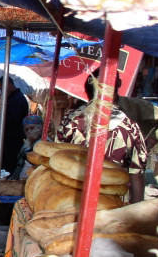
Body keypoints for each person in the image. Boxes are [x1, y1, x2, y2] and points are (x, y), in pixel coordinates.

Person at [56, 70, 147, 203]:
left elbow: (58, 157)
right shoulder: (129, 127)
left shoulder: (70, 120)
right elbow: (137, 175)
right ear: (117, 87)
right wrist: (137, 211)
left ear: (87, 90)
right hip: (111, 206)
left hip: (70, 199)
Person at [0, 75, 29, 174]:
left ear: (8, 85)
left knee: (8, 169)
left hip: (12, 141)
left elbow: (11, 119)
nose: (1, 91)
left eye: (2, 88)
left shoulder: (17, 99)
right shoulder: (13, 98)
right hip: (8, 139)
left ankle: (6, 186)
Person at [8, 114, 45, 180]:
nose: (29, 132)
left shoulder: (44, 143)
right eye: (26, 130)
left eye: (32, 128)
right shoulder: (29, 141)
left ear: (40, 128)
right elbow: (20, 164)